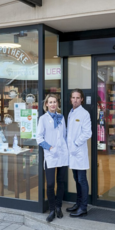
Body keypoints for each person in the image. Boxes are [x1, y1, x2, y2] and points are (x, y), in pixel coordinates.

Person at [35, 94, 69, 222]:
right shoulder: (43, 119)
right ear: (46, 104)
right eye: (50, 102)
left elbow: (64, 136)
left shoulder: (61, 117)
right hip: (50, 154)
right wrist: (50, 148)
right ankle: (52, 209)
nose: (53, 104)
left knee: (61, 182)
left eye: (55, 102)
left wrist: (65, 150)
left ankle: (59, 207)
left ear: (57, 104)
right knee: (50, 184)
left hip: (62, 155)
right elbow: (39, 138)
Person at [66, 89, 92, 217]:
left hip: (79, 152)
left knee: (82, 180)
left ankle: (83, 207)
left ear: (82, 99)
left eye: (78, 98)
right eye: (73, 97)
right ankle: (78, 203)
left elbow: (87, 133)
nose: (75, 100)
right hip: (72, 153)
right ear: (70, 99)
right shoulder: (71, 112)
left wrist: (76, 144)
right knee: (76, 179)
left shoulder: (84, 114)